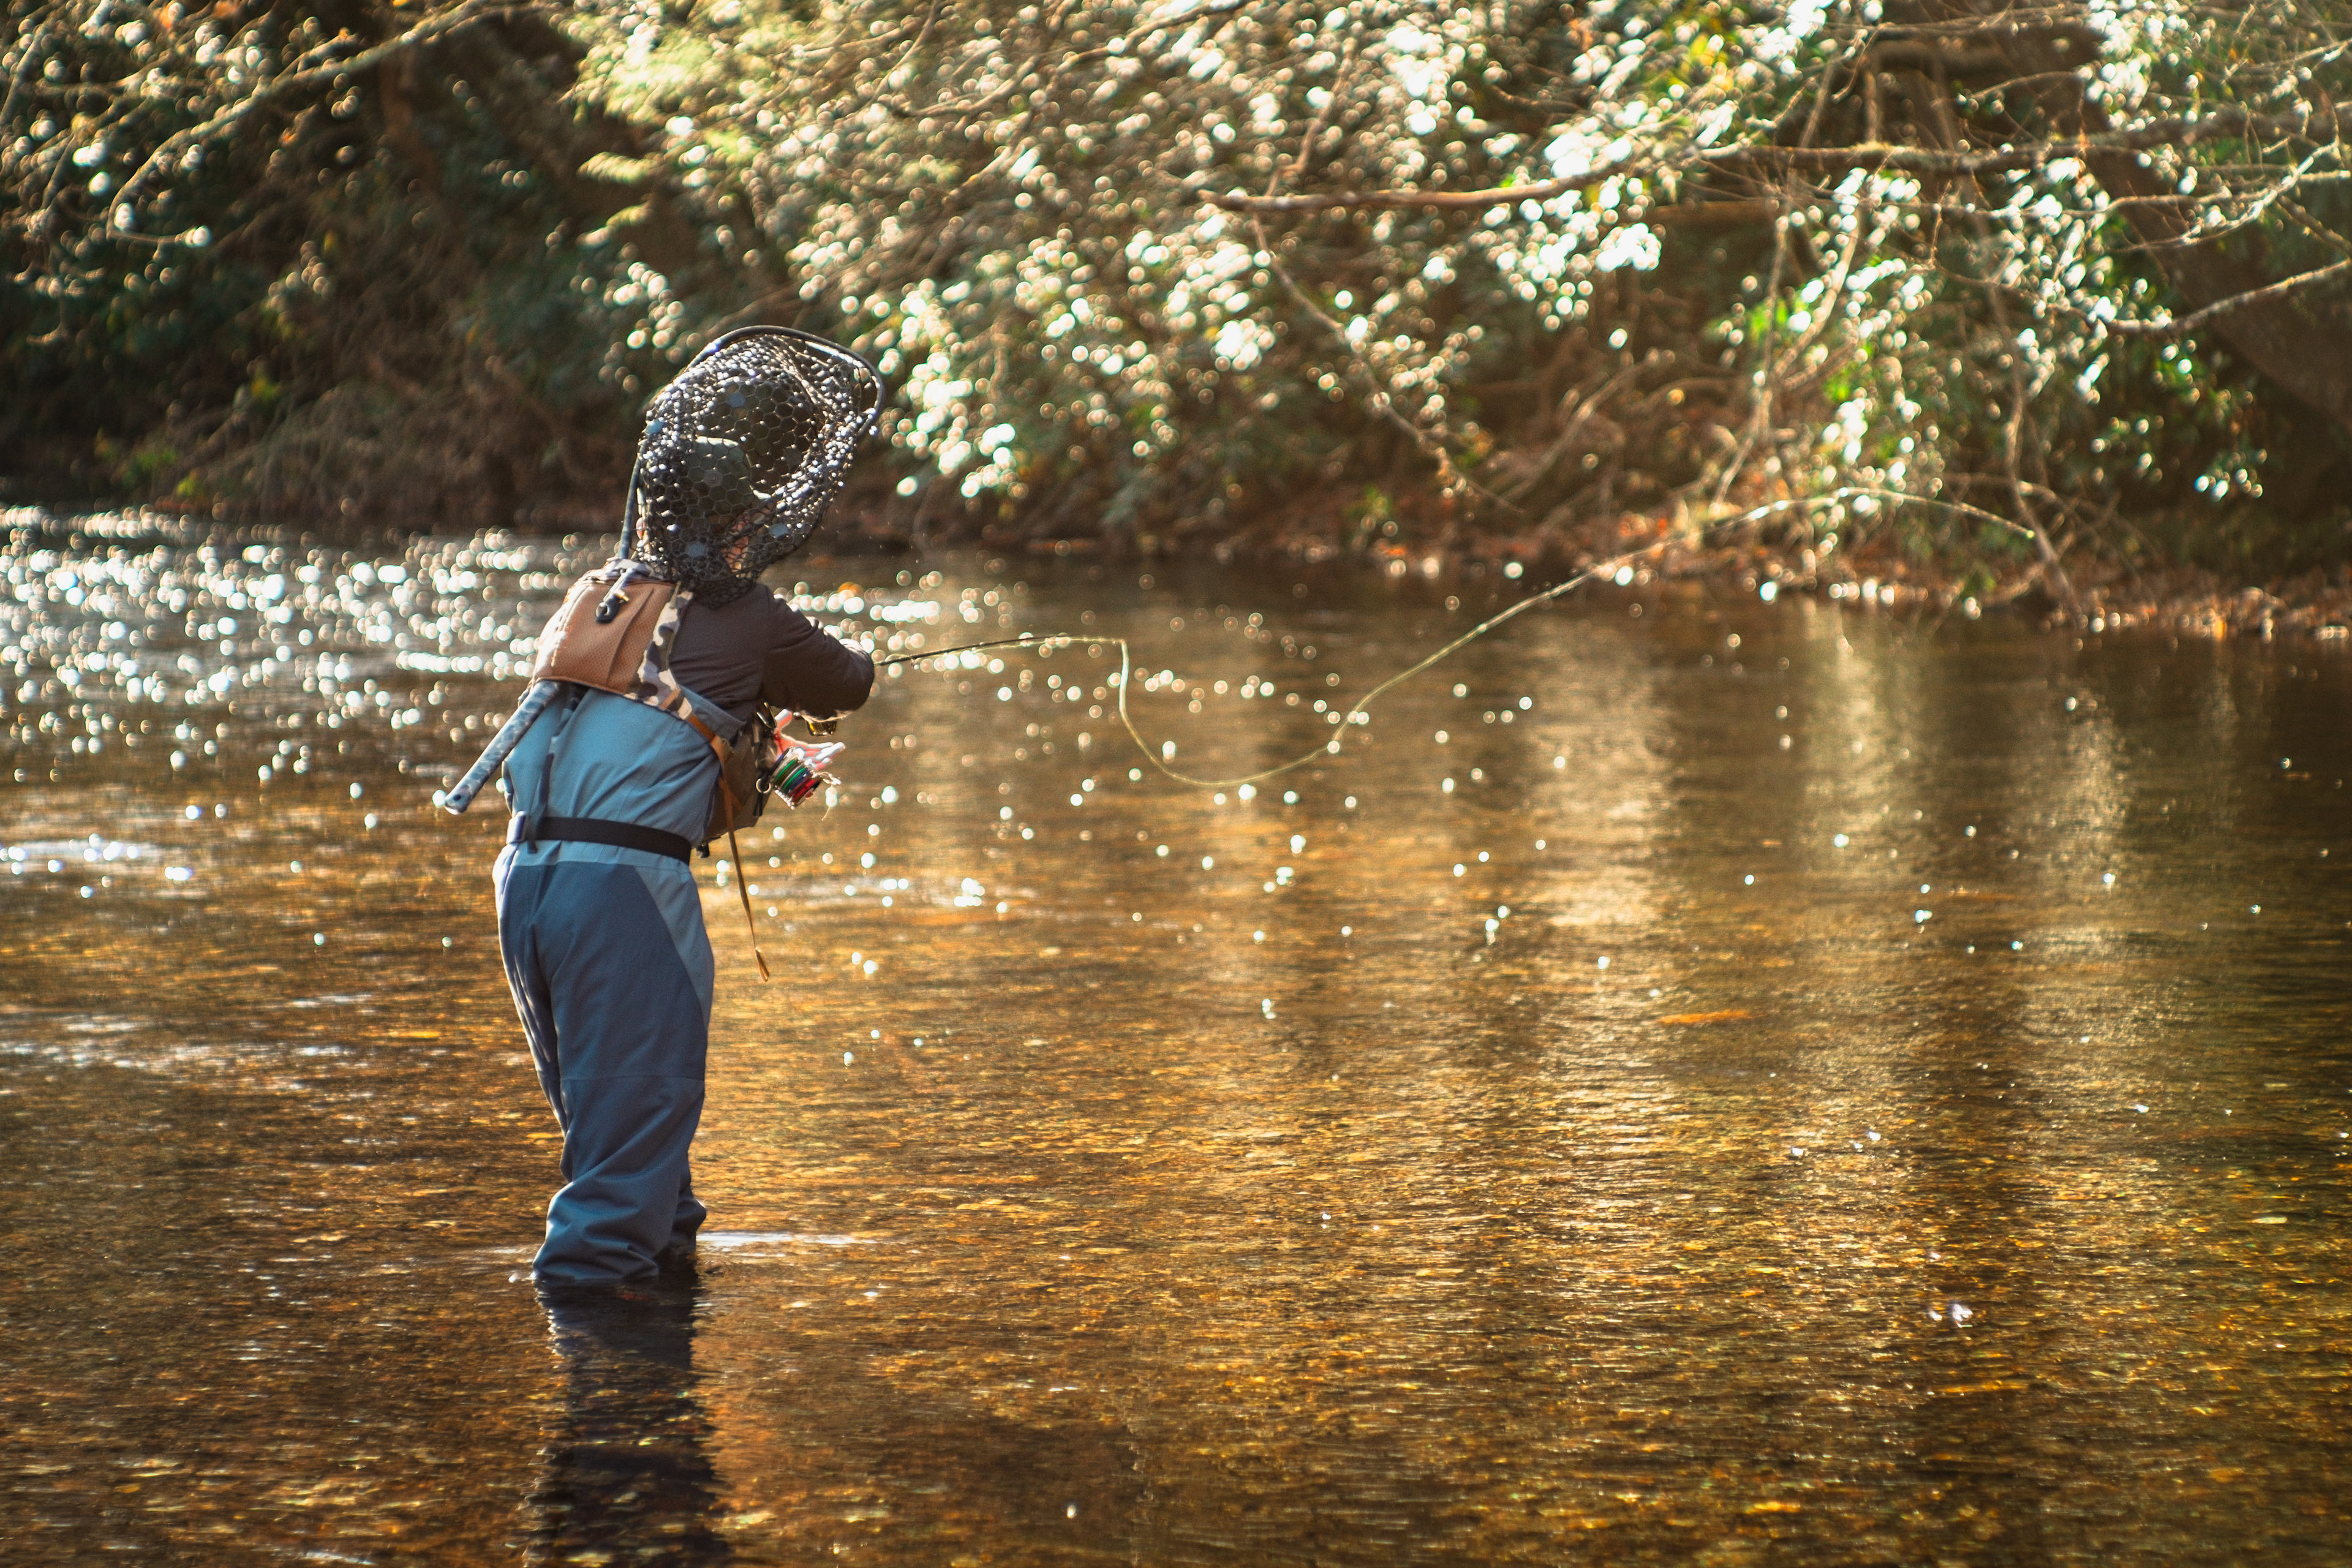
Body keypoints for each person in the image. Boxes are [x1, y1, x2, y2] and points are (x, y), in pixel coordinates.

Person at [493, 579, 872, 1284]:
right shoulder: (745, 608)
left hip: (525, 874)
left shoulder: (598, 596)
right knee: (615, 1198)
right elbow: (847, 682)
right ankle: (600, 1344)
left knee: (630, 1153)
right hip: (621, 886)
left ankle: (659, 1324)